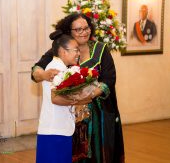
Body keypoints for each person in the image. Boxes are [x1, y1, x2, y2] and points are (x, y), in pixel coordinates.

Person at [32, 13, 125, 163]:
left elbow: (109, 79)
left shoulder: (101, 49)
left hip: (98, 115)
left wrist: (90, 95)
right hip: (70, 118)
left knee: (98, 154)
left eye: (86, 28)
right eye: (78, 29)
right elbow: (36, 69)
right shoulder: (60, 50)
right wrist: (43, 74)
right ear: (69, 32)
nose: (84, 32)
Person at [36, 33, 80, 163]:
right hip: (54, 131)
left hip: (60, 129)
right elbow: (56, 99)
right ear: (62, 51)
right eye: (75, 50)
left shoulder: (62, 67)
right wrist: (82, 100)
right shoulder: (56, 68)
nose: (78, 53)